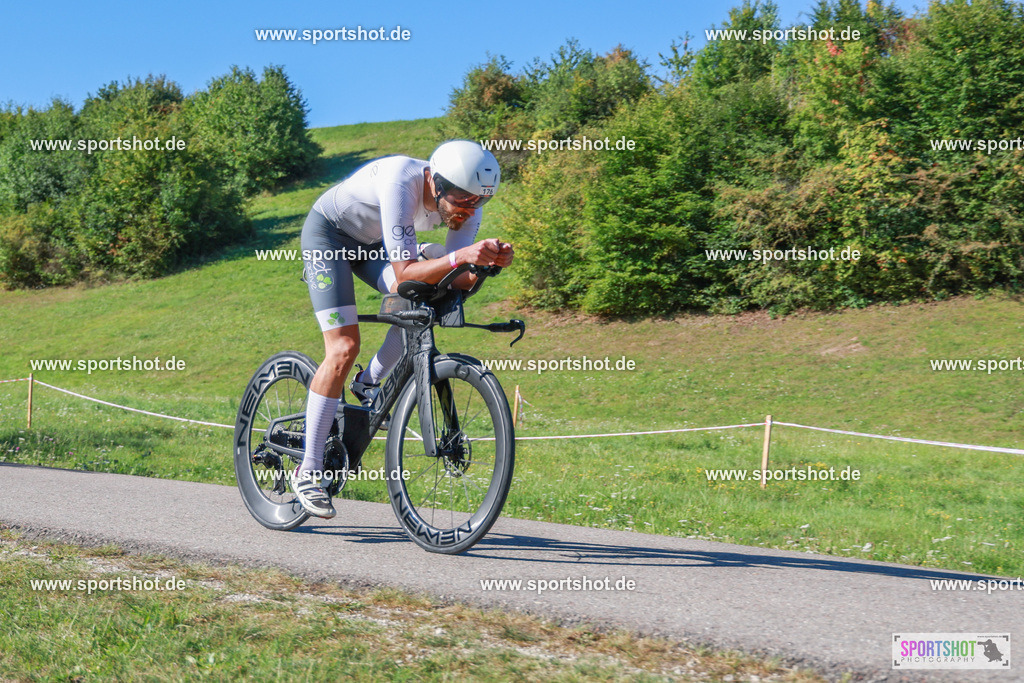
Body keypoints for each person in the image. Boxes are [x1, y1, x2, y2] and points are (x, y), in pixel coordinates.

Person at [292, 139, 514, 518]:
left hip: (376, 243)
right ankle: (308, 470)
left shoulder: (466, 206)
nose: (467, 209)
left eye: (478, 202)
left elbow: (455, 275)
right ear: (436, 182)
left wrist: (485, 266)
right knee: (344, 348)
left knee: (423, 299)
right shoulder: (401, 180)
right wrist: (461, 256)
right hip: (329, 237)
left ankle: (369, 383)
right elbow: (406, 271)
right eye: (461, 199)